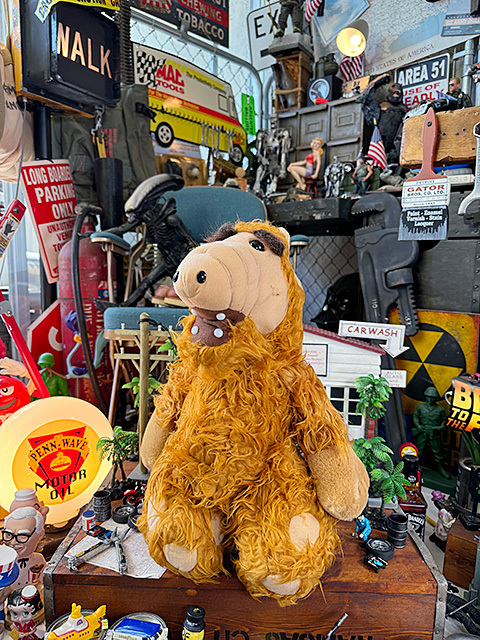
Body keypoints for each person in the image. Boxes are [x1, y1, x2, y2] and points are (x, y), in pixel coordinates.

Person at [412, 387, 450, 478]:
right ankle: (415, 467)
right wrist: (418, 426)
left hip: (434, 432)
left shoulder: (440, 409)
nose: (430, 399)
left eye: (433, 397)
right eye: (429, 397)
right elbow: (415, 416)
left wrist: (441, 427)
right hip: (423, 431)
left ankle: (440, 468)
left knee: (437, 451)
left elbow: (444, 420)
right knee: (419, 450)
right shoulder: (421, 406)